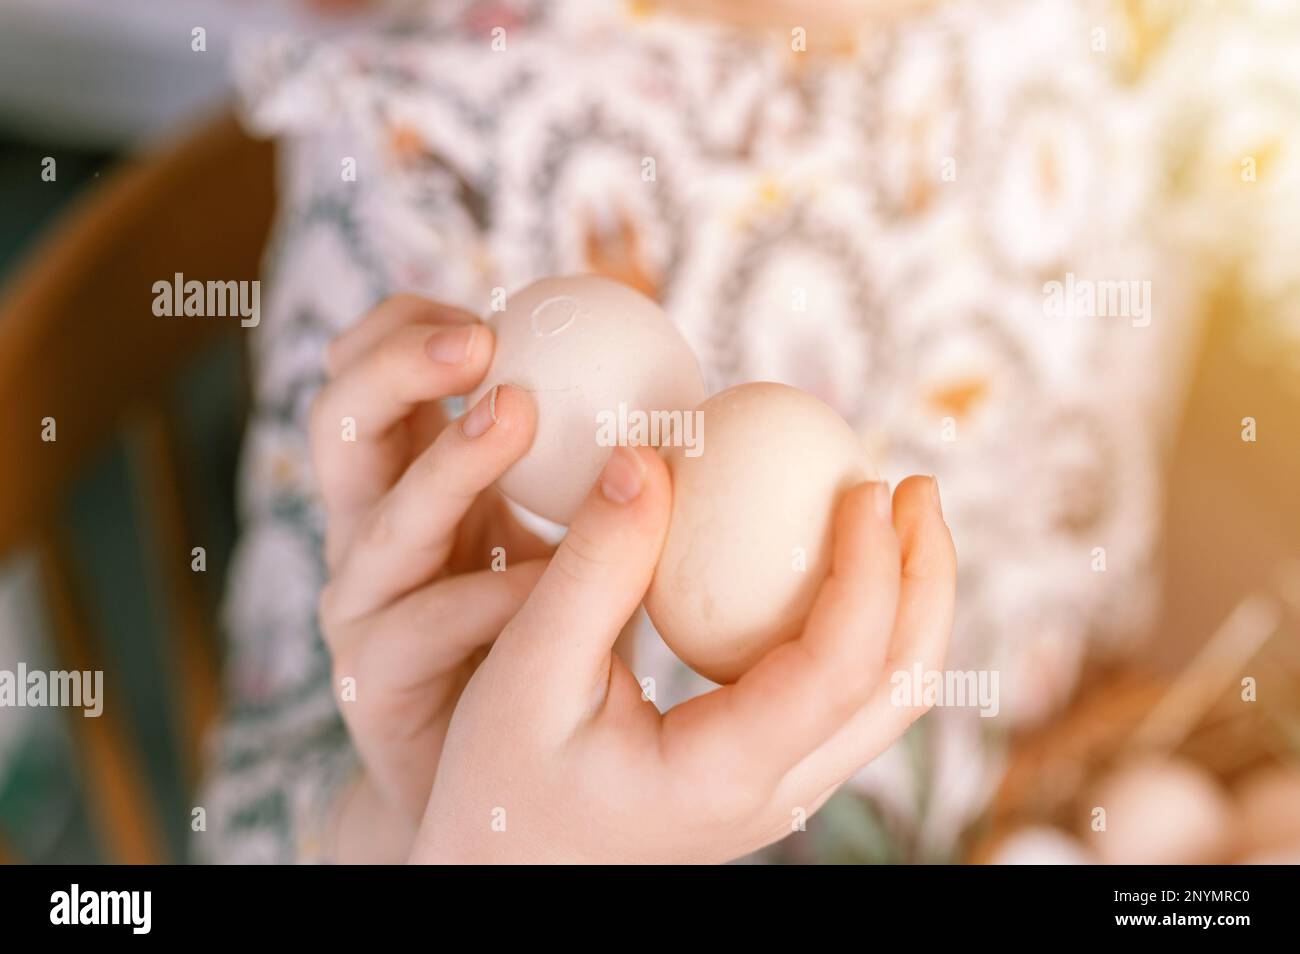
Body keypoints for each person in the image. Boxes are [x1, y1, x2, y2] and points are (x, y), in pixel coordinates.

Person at [199, 0, 1185, 863]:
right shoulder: (423, 136)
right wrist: (447, 813)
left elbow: (1096, 586)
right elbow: (251, 821)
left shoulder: (1082, 57)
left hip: (1037, 806)